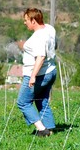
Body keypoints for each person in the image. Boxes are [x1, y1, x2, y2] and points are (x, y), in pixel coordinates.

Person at [17, 8, 57, 137]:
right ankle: (49, 128)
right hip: (51, 71)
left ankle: (41, 129)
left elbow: (41, 57)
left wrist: (33, 76)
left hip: (38, 74)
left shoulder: (37, 38)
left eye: (26, 20)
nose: (25, 23)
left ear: (33, 21)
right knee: (42, 100)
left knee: (23, 102)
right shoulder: (49, 29)